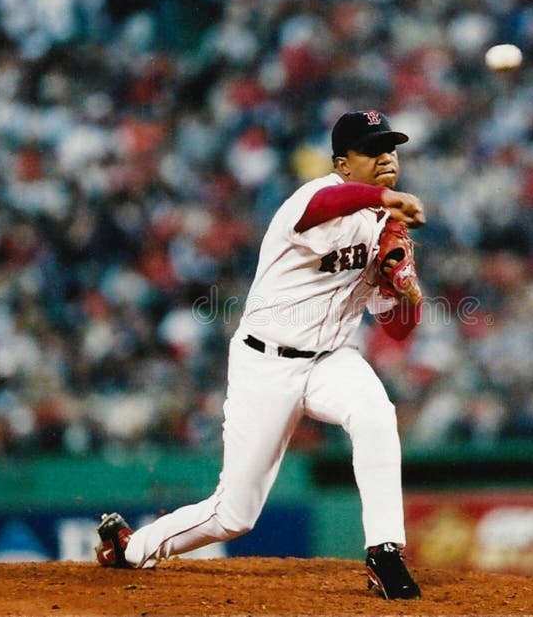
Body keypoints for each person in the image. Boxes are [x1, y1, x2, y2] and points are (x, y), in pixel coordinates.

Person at [95, 110, 426, 600]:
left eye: (391, 149)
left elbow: (397, 333)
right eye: (371, 150)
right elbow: (331, 203)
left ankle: (385, 553)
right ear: (341, 162)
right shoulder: (313, 198)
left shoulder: (385, 229)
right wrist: (384, 197)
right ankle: (130, 547)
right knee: (234, 515)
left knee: (376, 415)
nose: (386, 158)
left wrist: (405, 291)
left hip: (332, 359)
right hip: (265, 362)